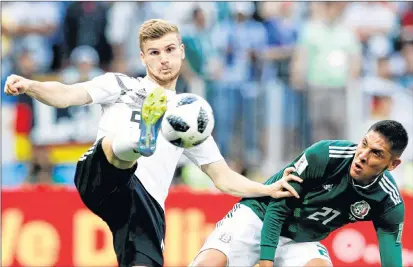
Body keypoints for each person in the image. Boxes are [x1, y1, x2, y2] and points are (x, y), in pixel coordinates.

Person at [4, 19, 302, 267]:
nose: (163, 58)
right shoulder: (120, 84)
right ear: (143, 57)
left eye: (170, 50)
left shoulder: (189, 116)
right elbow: (67, 94)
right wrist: (31, 86)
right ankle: (138, 140)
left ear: (182, 52)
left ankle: (138, 141)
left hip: (144, 206)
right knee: (114, 147)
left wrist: (266, 188)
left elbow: (222, 178)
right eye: (154, 52)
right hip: (102, 176)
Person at [191, 120, 408, 267]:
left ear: (392, 164)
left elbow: (391, 253)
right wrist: (267, 262)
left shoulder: (388, 201)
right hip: (257, 218)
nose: (362, 155)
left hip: (300, 241)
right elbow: (277, 208)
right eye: (363, 144)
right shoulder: (324, 155)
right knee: (210, 263)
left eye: (376, 154)